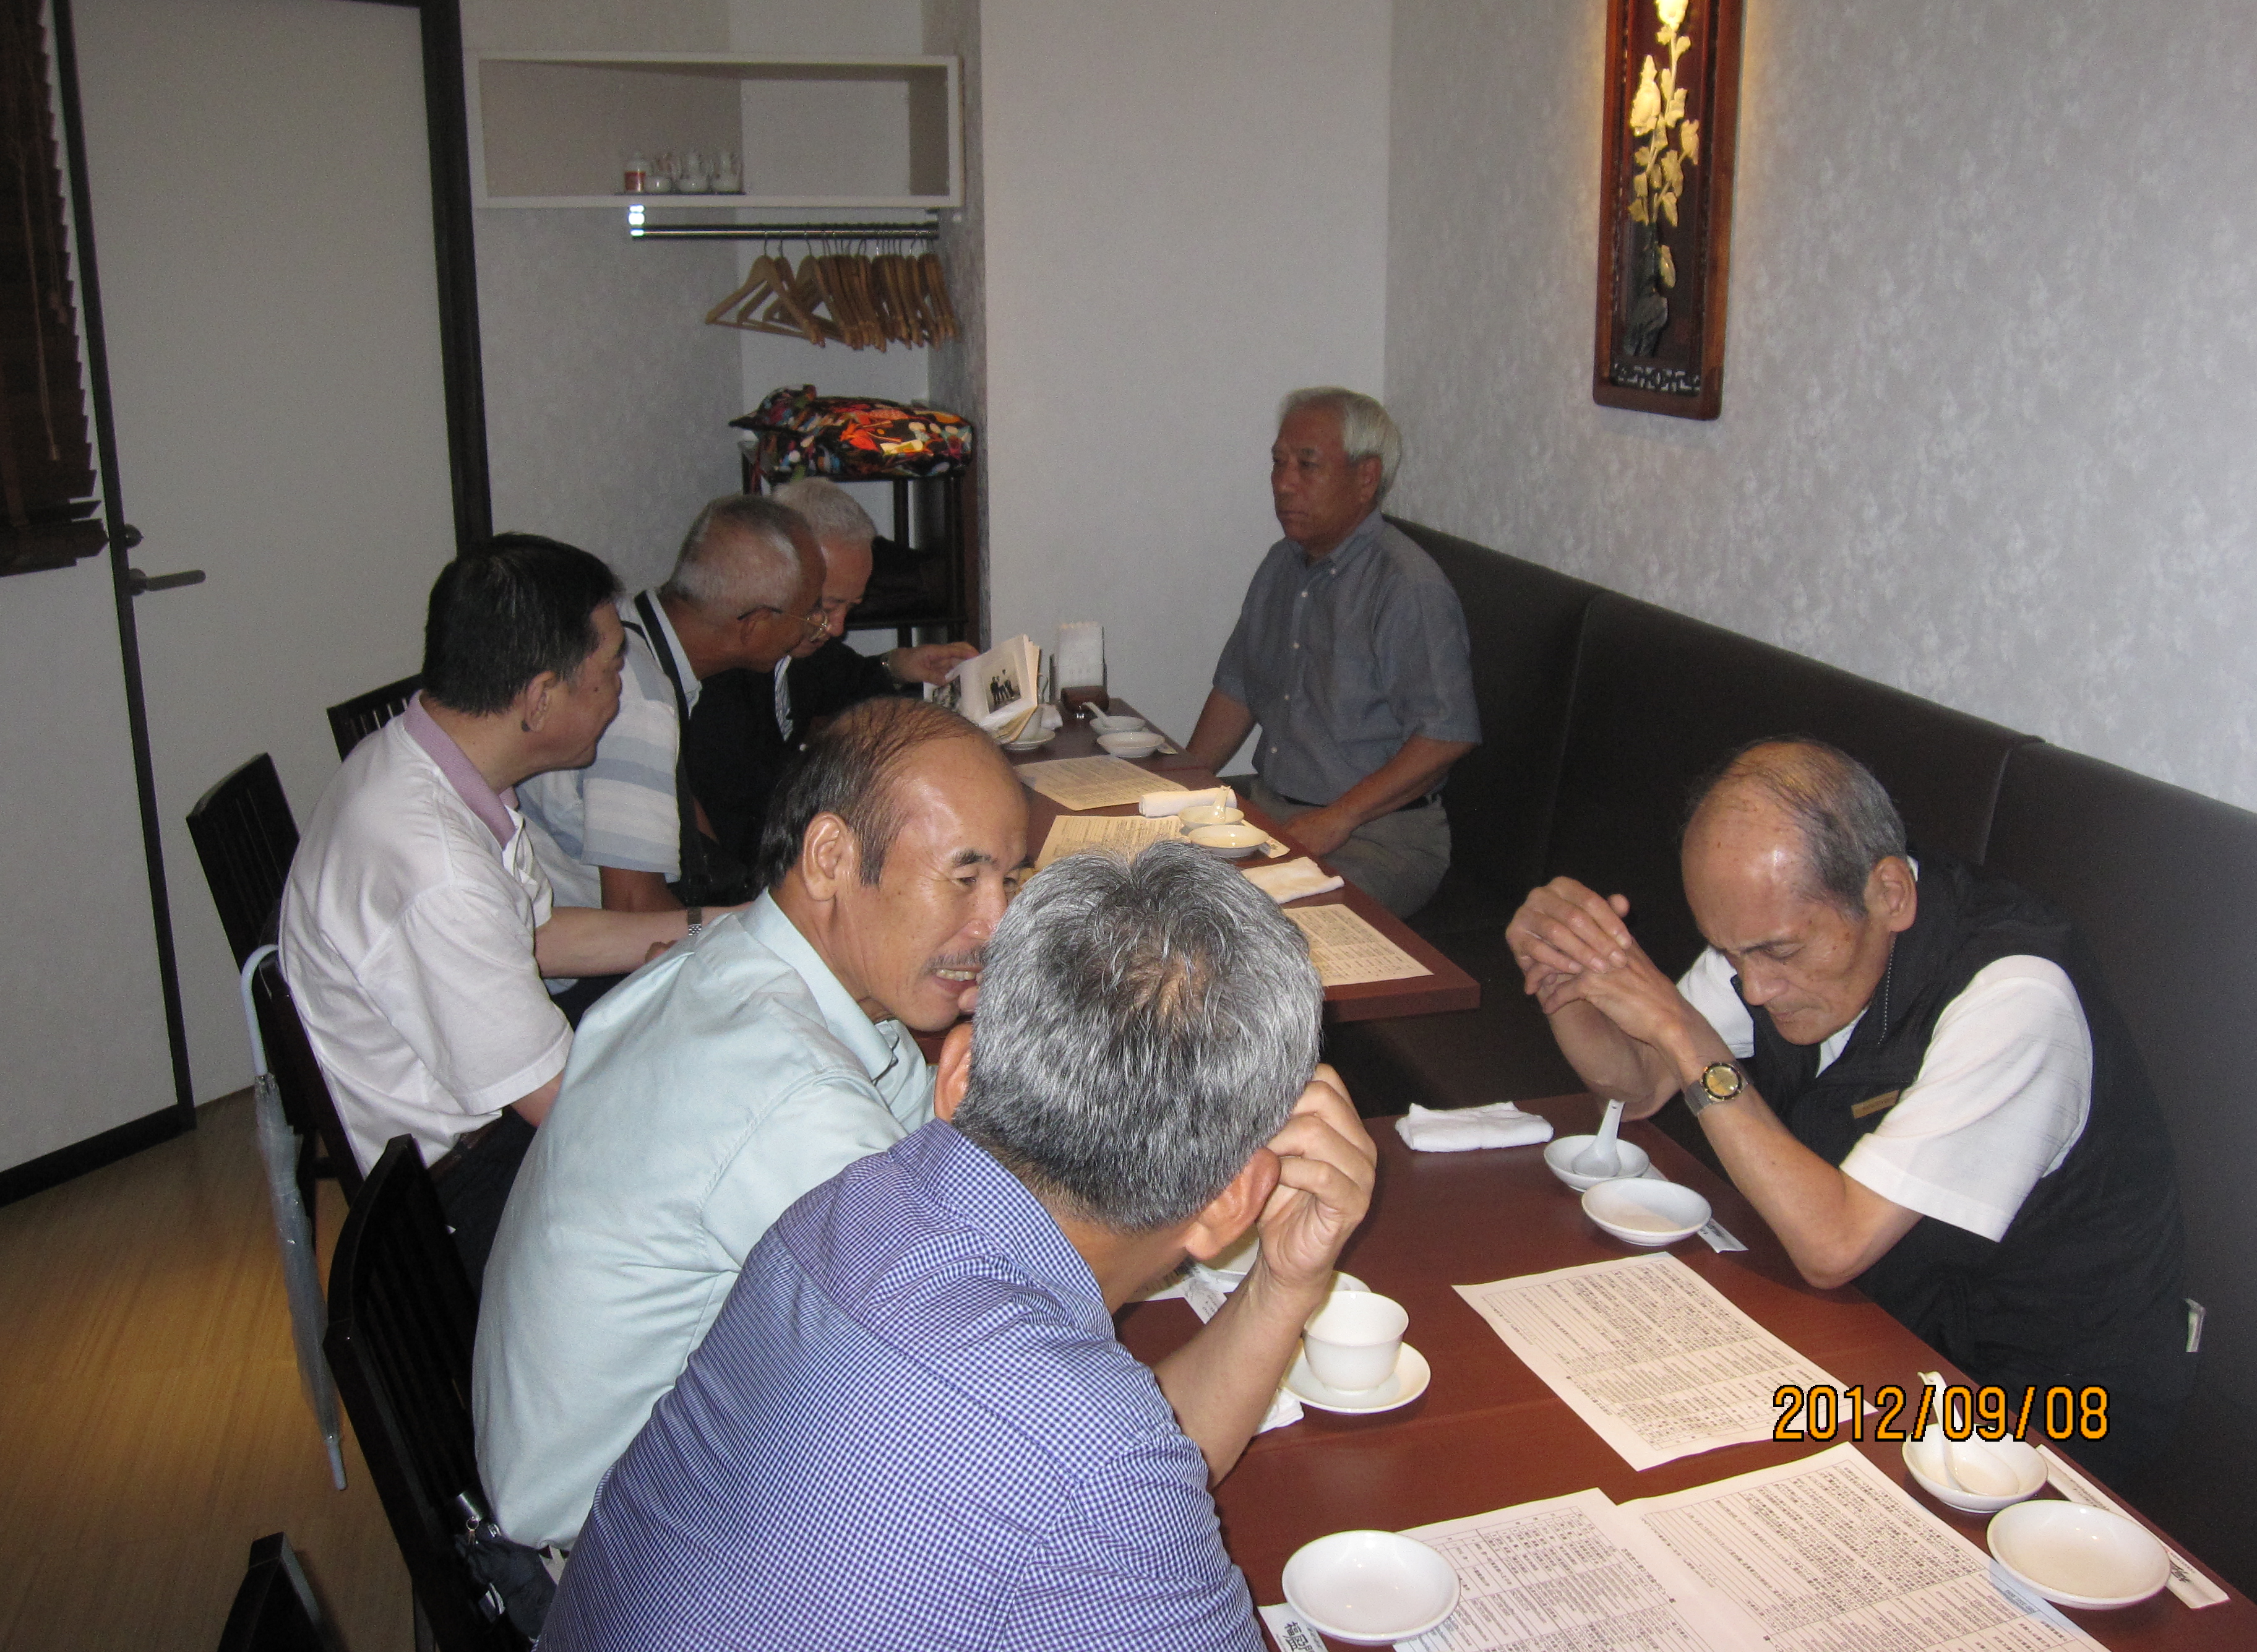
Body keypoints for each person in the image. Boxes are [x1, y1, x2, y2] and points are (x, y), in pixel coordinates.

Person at [538, 841, 1377, 1651]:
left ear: (959, 1074)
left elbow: (1119, 1467)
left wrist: (1283, 1286)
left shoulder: (841, 1208)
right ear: (1232, 1202)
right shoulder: (1090, 1458)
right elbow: (1094, 1473)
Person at [1505, 739, 2192, 1478]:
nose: (1754, 987)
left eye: (1779, 954)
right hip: (1893, 1340)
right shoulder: (1772, 926)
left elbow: (1833, 1247)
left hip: (2043, 1410)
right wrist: (1566, 983)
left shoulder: (2016, 999)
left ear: (1889, 894)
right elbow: (1639, 1087)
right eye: (1730, 955)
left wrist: (1684, 1033)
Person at [474, 695, 1029, 1551]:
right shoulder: (790, 1093)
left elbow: (927, 1140)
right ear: (831, 857)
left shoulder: (748, 967)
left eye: (1011, 881)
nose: (998, 925)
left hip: (601, 1467)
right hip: (619, 1557)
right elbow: (976, 1392)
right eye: (965, 877)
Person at [280, 535, 710, 1284]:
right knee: (719, 1155)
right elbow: (567, 1107)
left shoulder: (426, 759)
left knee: (694, 1032)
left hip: (495, 1114)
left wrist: (719, 923)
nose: (620, 690)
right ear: (540, 697)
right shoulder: (434, 865)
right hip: (458, 1192)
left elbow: (537, 937)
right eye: (611, 670)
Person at [1185, 387, 1479, 918]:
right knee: (1146, 876)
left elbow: (1446, 735)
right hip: (1273, 813)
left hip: (1376, 838)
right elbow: (1238, 690)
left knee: (1243, 927)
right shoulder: (1281, 565)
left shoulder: (1405, 585)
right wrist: (1182, 785)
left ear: (1366, 478)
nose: (1284, 483)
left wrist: (1339, 818)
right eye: (1278, 463)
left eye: (1307, 465)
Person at [516, 494, 822, 934]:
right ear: (755, 625)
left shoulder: (626, 623)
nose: (819, 628)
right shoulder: (635, 698)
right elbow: (634, 909)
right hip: (569, 947)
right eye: (809, 614)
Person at [685, 476, 975, 864]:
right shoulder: (721, 676)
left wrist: (901, 664)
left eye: (850, 607)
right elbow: (741, 837)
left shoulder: (805, 648)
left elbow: (847, 679)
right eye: (825, 605)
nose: (836, 628)